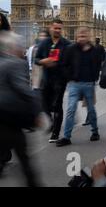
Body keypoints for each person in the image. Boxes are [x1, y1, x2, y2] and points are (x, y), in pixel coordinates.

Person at [0, 31, 43, 186]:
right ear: (15, 47)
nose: (23, 50)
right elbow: (25, 91)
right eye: (20, 47)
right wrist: (37, 111)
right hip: (10, 118)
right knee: (23, 157)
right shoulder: (16, 63)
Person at [56, 28, 102, 147]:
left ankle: (95, 131)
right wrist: (69, 77)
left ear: (88, 37)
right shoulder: (70, 49)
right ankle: (66, 137)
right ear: (76, 37)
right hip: (74, 84)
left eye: (84, 36)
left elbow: (98, 65)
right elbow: (63, 64)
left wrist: (94, 77)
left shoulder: (94, 50)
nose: (82, 38)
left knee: (91, 109)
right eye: (80, 36)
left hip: (89, 84)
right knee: (71, 109)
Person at [35, 19, 71, 143]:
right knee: (44, 104)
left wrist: (58, 64)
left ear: (62, 29)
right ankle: (51, 122)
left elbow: (69, 63)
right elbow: (36, 59)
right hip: (46, 79)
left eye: (59, 28)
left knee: (57, 105)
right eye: (55, 28)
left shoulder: (66, 44)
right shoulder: (44, 43)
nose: (57, 30)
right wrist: (42, 61)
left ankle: (55, 133)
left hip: (60, 80)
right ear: (51, 28)